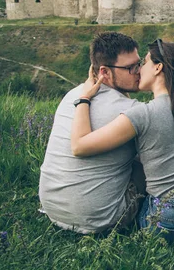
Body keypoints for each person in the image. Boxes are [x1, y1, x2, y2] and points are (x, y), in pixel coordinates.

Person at [71, 39, 174, 244]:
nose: (139, 70)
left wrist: (83, 99)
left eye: (144, 63)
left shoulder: (141, 114)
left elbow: (79, 146)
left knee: (143, 194)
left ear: (158, 68)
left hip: (171, 221)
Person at [39, 32, 144, 233]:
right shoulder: (131, 110)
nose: (138, 71)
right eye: (131, 68)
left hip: (54, 210)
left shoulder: (73, 95)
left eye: (139, 64)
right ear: (104, 71)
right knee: (154, 162)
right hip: (101, 219)